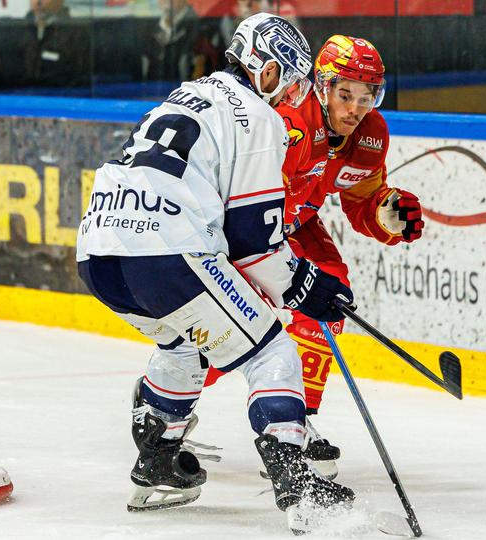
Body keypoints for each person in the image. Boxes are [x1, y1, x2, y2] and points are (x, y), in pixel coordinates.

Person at [75, 13, 355, 518]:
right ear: (264, 70)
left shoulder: (186, 93)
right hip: (166, 252)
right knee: (272, 354)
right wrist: (307, 285)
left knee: (183, 346)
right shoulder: (257, 116)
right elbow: (253, 243)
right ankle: (299, 488)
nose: (291, 96)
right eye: (287, 81)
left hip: (99, 252)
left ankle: (157, 464)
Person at [272, 35, 424, 478]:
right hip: (246, 228)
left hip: (296, 223)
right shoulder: (289, 124)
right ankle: (169, 399)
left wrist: (388, 213)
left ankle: (296, 423)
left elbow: (362, 201)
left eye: (367, 95)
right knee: (240, 326)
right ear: (321, 85)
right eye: (345, 94)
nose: (355, 107)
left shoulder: (371, 134)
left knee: (329, 292)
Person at [21, 0, 91, 89]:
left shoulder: (76, 33)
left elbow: (80, 76)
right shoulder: (18, 30)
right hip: (20, 96)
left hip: (61, 96)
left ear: (60, 1)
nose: (38, 2)